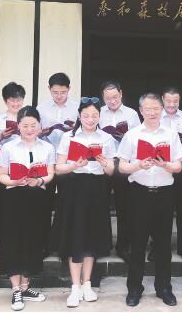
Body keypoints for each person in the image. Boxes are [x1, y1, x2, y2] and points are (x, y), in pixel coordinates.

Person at [117, 93, 182, 307]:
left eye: (156, 108)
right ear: (141, 110)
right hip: (139, 194)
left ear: (162, 109)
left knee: (163, 244)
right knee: (137, 243)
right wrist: (139, 165)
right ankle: (134, 288)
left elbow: (178, 166)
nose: (153, 112)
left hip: (164, 194)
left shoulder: (171, 134)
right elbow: (122, 166)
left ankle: (164, 288)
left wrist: (165, 164)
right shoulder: (132, 135)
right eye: (148, 108)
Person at [53, 97, 116, 307]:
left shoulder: (106, 138)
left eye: (94, 115)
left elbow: (111, 171)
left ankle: (87, 283)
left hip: (96, 189)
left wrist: (105, 163)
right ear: (79, 116)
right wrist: (74, 165)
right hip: (74, 188)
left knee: (91, 236)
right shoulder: (69, 137)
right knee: (76, 236)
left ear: (100, 116)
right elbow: (58, 168)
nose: (90, 119)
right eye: (86, 115)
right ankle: (75, 286)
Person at [0, 106, 55, 311]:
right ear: (18, 126)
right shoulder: (9, 147)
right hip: (14, 197)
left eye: (33, 125)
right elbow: (0, 174)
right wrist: (14, 181)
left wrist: (39, 180)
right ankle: (16, 289)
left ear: (40, 126)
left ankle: (26, 286)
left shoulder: (47, 148)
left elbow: (50, 174)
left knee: (33, 239)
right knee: (14, 240)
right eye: (25, 125)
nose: (30, 129)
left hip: (37, 197)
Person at [36, 72, 79, 256]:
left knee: (67, 203)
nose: (59, 96)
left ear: (69, 89)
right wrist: (41, 132)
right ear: (49, 89)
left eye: (63, 92)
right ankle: (44, 244)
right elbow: (33, 132)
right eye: (55, 92)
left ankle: (64, 243)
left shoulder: (77, 107)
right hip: (47, 158)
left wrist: (75, 129)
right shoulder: (41, 108)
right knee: (44, 204)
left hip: (68, 162)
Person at [98, 80, 140, 263]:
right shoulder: (98, 113)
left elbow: (139, 138)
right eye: (108, 98)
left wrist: (125, 137)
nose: (112, 101)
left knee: (125, 206)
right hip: (104, 163)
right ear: (103, 97)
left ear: (121, 94)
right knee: (100, 205)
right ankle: (102, 244)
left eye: (115, 97)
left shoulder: (131, 114)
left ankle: (124, 246)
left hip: (124, 163)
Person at [0, 82, 26, 246]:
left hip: (24, 166)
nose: (16, 103)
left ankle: (20, 237)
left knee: (20, 205)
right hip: (3, 167)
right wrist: (1, 136)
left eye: (19, 99)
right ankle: (1, 239)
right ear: (5, 101)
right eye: (12, 100)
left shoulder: (28, 117)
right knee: (2, 204)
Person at [160, 87, 182, 262]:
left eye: (175, 101)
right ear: (163, 100)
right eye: (168, 101)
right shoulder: (157, 117)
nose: (172, 104)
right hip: (162, 167)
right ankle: (159, 247)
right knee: (162, 209)